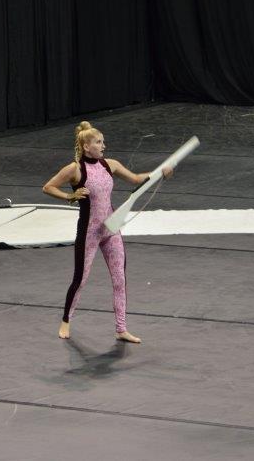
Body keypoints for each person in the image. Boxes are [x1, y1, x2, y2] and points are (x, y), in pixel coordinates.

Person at [43, 121, 172, 343]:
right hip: (90, 232)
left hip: (111, 229)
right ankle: (66, 320)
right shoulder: (75, 169)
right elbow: (48, 187)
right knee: (81, 278)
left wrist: (159, 172)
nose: (103, 145)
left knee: (120, 278)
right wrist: (69, 196)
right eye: (99, 142)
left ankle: (121, 328)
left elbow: (135, 179)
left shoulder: (109, 165)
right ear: (86, 146)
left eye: (103, 142)